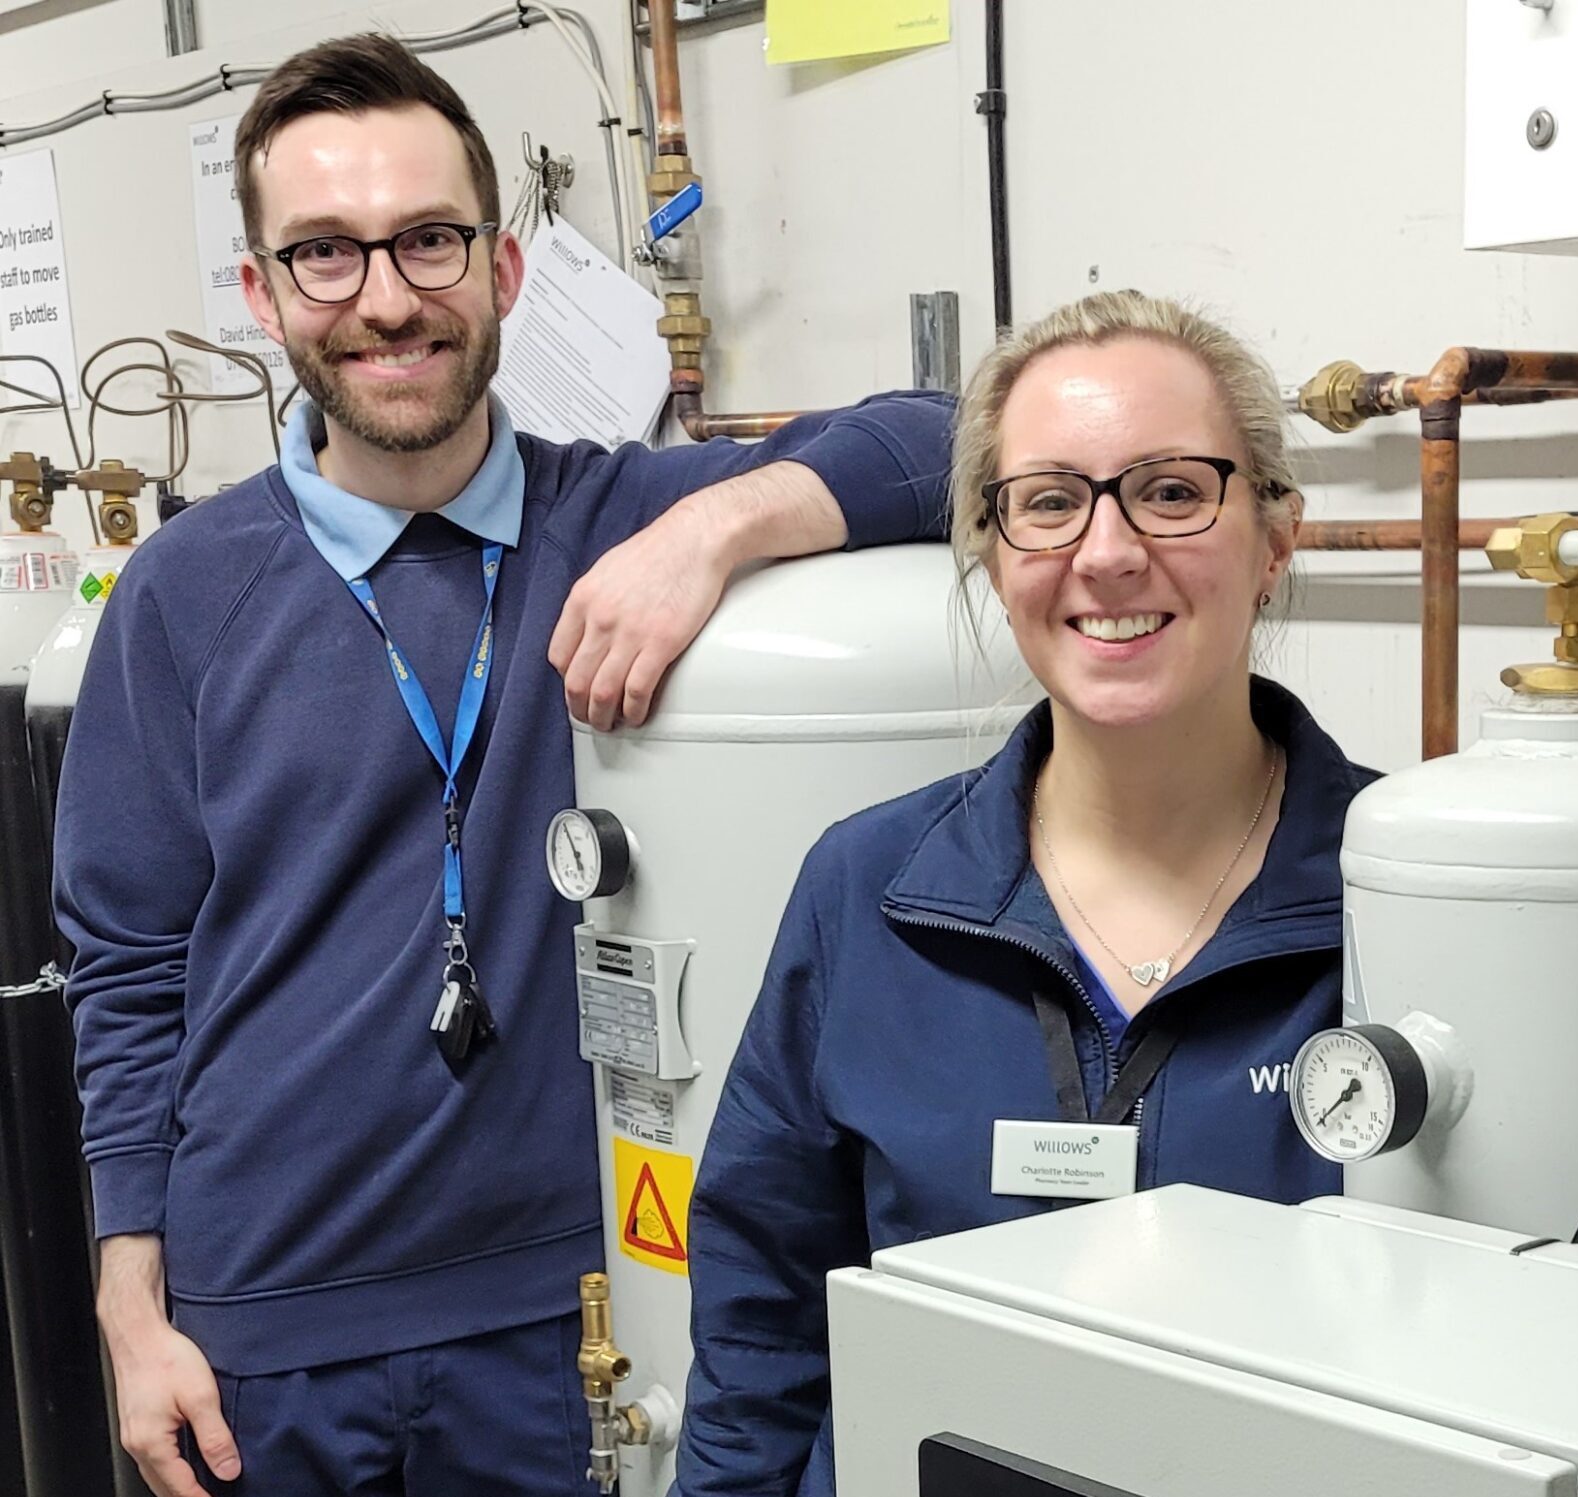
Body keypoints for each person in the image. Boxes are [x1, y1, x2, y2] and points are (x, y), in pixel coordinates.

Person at [53, 34, 952, 1497]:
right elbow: (130, 968)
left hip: (560, 1317)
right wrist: (127, 1303)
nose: (387, 296)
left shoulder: (619, 513)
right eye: (326, 256)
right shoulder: (179, 590)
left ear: (502, 269)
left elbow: (948, 439)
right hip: (256, 1334)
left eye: (427, 241)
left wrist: (713, 531)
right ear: (263, 296)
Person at [672, 290, 1376, 1494]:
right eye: (1049, 502)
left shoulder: (1411, 898)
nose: (1107, 552)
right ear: (995, 558)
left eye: (1170, 490)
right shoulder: (870, 890)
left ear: (1274, 539)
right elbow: (762, 1334)